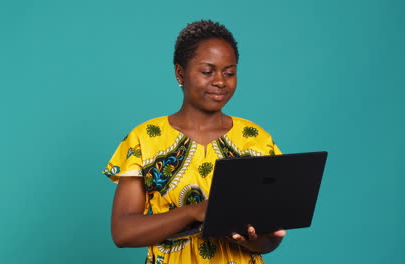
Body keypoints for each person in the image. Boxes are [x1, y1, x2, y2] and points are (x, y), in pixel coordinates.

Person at [103, 20, 286, 264]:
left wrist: (249, 239)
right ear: (180, 73)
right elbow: (123, 232)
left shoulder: (256, 140)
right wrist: (195, 211)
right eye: (207, 71)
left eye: (229, 72)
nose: (220, 81)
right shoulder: (143, 139)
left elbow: (270, 239)